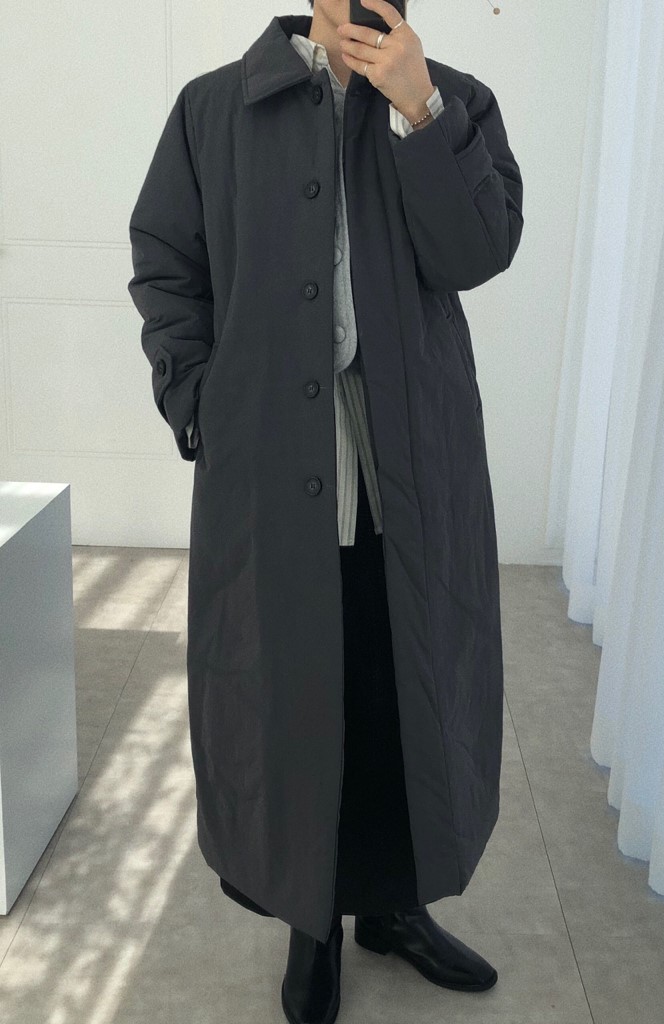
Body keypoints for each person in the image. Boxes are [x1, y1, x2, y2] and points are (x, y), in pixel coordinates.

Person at [127, 2, 523, 1022]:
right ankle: (314, 923)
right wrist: (197, 400)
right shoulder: (214, 108)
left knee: (402, 684)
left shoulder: (452, 100)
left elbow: (478, 251)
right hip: (272, 456)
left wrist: (418, 110)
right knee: (301, 690)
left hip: (412, 458)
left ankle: (395, 907)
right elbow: (166, 261)